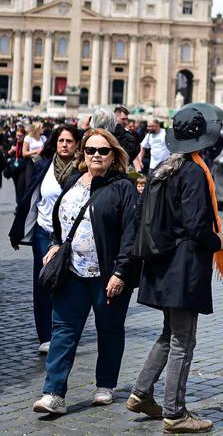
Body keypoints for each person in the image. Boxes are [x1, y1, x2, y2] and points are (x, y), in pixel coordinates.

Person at [128, 106, 223, 434]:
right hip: (183, 267)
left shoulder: (162, 169)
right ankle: (175, 412)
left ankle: (141, 393)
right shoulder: (194, 172)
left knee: (169, 334)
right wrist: (219, 243)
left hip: (162, 264)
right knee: (183, 339)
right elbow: (197, 225)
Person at [31, 129, 141, 416]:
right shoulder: (72, 181)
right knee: (63, 330)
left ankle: (105, 384)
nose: (95, 155)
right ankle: (53, 393)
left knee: (110, 329)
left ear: (113, 155)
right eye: (90, 150)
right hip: (71, 271)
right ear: (83, 152)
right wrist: (56, 244)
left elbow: (131, 234)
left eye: (103, 151)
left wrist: (120, 272)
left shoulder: (123, 188)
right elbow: (61, 221)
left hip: (107, 274)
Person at [9, 124, 81, 354]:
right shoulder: (43, 166)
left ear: (77, 144)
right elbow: (30, 197)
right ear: (54, 142)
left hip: (72, 236)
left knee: (69, 283)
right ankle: (46, 335)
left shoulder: (82, 170)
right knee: (44, 281)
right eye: (61, 140)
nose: (64, 145)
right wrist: (17, 231)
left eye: (69, 141)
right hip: (44, 231)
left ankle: (65, 330)